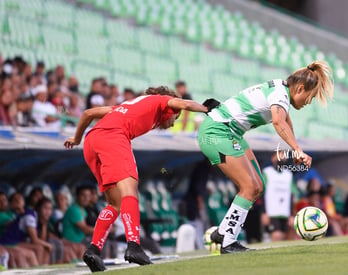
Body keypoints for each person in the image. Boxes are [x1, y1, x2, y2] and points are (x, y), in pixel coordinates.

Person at [63, 86, 208, 272]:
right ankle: (134, 245)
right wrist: (207, 109)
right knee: (130, 191)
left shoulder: (127, 106)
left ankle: (93, 249)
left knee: (114, 203)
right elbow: (184, 103)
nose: (173, 123)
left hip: (91, 143)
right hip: (114, 137)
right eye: (175, 117)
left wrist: (76, 139)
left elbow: (89, 113)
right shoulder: (161, 101)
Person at [197, 60, 333, 253]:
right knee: (249, 187)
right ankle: (227, 241)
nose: (309, 102)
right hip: (217, 132)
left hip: (230, 133)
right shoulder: (280, 94)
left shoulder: (282, 90)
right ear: (300, 88)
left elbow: (285, 118)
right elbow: (278, 122)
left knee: (259, 186)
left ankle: (222, 232)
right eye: (310, 97)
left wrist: (295, 148)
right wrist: (297, 149)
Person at [261, 151, 295, 242]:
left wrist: (291, 214)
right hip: (272, 211)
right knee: (276, 235)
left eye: (284, 155)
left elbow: (291, 195)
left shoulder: (289, 174)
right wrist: (264, 212)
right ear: (273, 158)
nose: (283, 157)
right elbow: (263, 193)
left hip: (285, 212)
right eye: (280, 154)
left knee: (286, 236)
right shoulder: (267, 172)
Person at [61, 186, 95, 260]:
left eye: (88, 196)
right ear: (76, 196)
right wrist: (102, 231)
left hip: (81, 240)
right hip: (71, 241)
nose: (86, 198)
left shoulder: (83, 210)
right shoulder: (74, 209)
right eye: (83, 195)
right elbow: (84, 229)